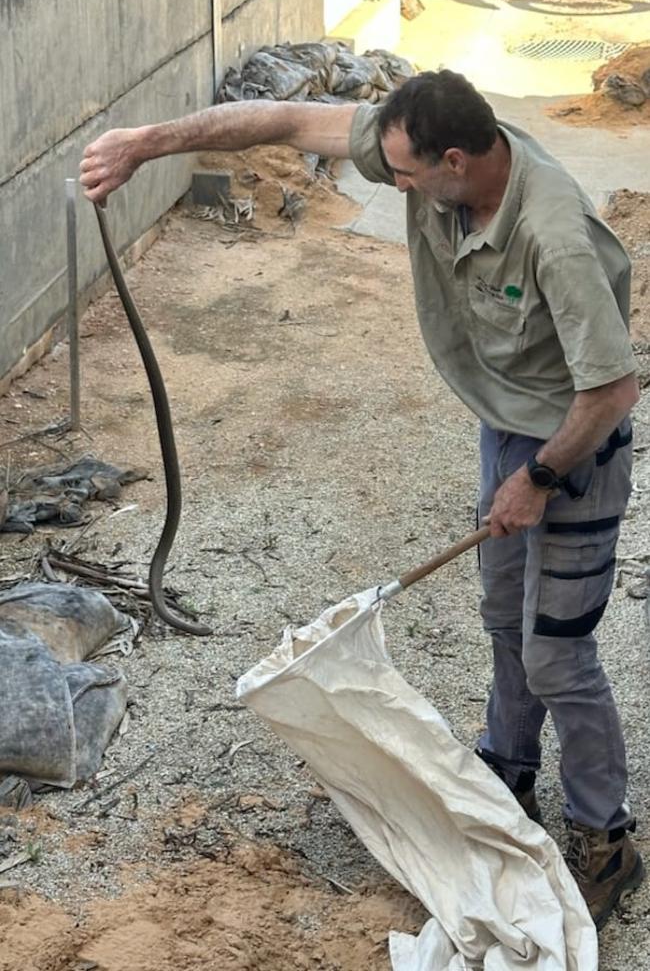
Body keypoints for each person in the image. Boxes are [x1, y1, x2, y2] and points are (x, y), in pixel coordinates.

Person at [80, 69, 644, 929]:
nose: (395, 188)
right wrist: (143, 143)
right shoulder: (423, 156)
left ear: (454, 159)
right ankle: (508, 774)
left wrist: (535, 481)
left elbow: (610, 390)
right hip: (511, 431)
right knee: (501, 618)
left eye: (408, 177)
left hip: (576, 446)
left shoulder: (553, 234)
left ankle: (607, 836)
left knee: (557, 654)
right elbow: (275, 116)